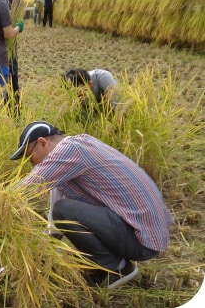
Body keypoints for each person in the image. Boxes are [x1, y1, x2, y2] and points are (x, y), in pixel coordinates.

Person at [9, 121, 172, 289]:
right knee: (62, 210)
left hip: (141, 239)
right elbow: (54, 222)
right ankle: (114, 263)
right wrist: (38, 257)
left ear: (43, 142)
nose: (33, 165)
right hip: (145, 233)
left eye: (30, 157)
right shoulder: (77, 150)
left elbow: (26, 189)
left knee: (64, 210)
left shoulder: (68, 151)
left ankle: (116, 269)